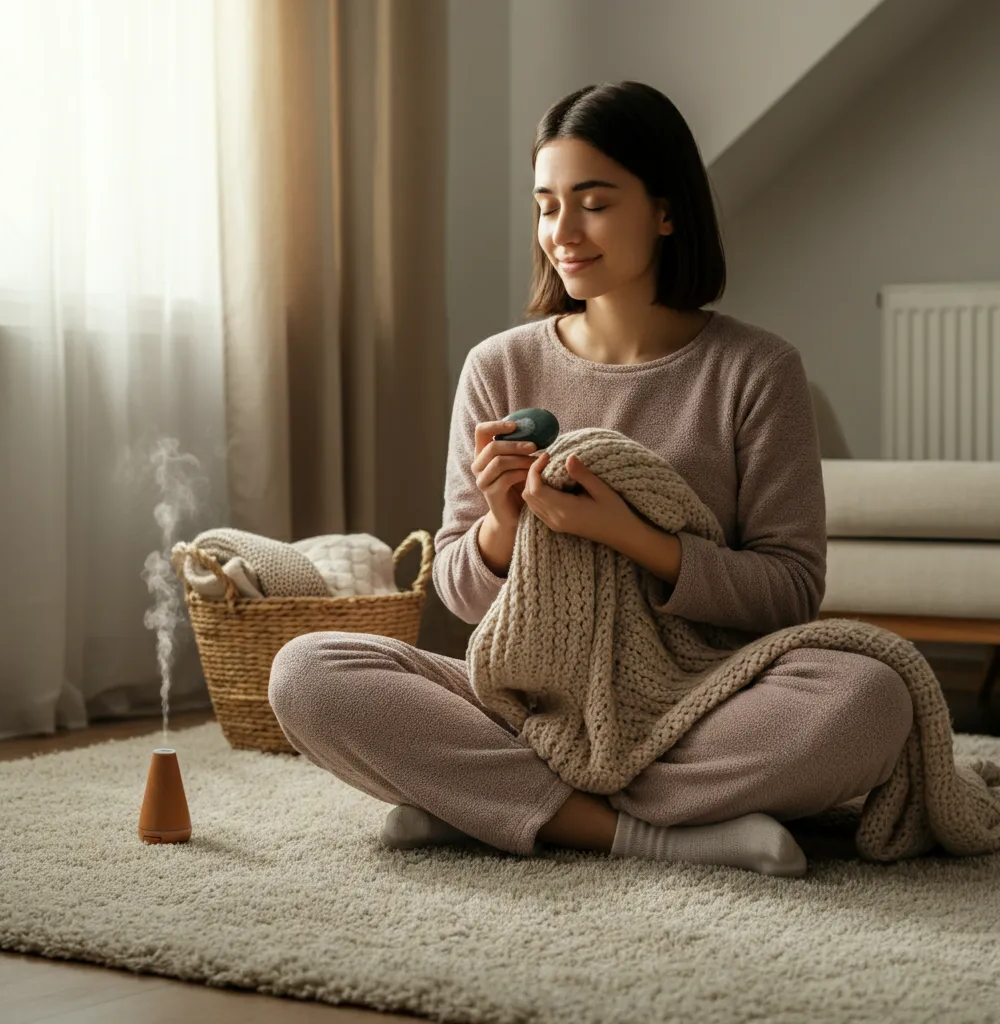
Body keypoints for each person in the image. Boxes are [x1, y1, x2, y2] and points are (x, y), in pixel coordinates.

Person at [268, 81, 913, 877]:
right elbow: (463, 598)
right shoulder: (499, 365)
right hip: (528, 701)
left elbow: (788, 591)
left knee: (871, 696)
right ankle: (653, 833)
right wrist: (502, 529)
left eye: (593, 203)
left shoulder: (756, 369)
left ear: (666, 211)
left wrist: (630, 537)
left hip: (700, 699)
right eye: (546, 206)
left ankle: (487, 805)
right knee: (308, 672)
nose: (561, 233)